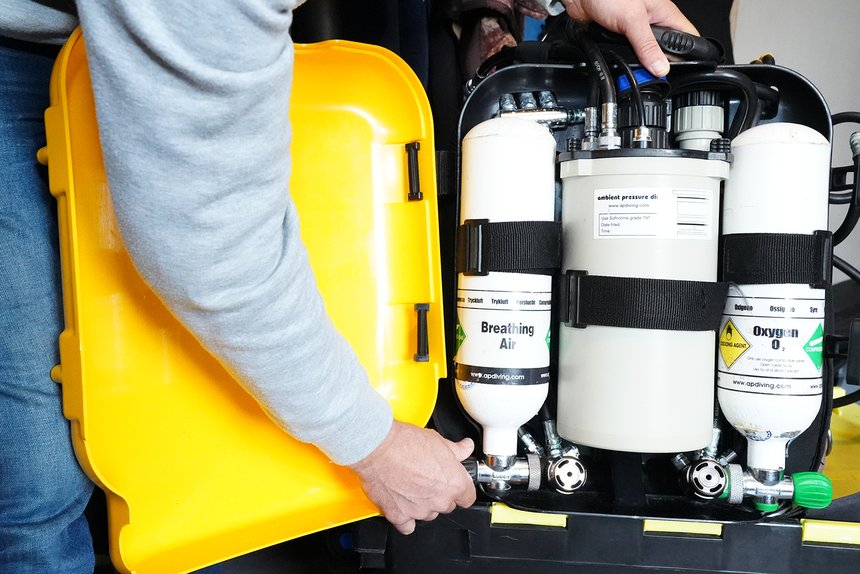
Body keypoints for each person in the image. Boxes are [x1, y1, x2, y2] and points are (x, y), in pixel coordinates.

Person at [0, 1, 696, 572]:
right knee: (38, 481)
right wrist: (374, 446)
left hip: (157, 42)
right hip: (24, 54)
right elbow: (211, 250)